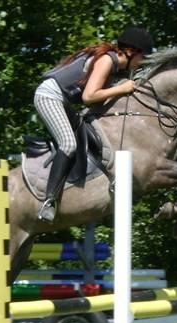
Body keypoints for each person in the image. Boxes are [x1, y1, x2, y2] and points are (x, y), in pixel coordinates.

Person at [34, 27, 155, 222]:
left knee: (92, 132)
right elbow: (89, 96)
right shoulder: (107, 60)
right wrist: (122, 88)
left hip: (66, 102)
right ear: (131, 52)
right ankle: (50, 201)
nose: (143, 62)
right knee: (69, 143)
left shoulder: (118, 66)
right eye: (144, 57)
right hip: (49, 97)